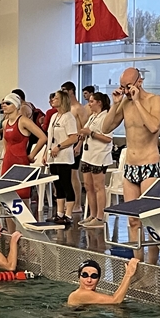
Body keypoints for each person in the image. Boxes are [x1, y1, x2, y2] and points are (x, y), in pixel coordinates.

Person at [102, 67, 160, 261]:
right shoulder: (124, 103)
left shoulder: (155, 100)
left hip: (149, 165)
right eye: (122, 87)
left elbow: (154, 126)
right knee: (133, 220)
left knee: (150, 219)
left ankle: (152, 265)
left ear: (139, 82)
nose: (126, 91)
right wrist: (115, 105)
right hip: (130, 167)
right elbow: (106, 127)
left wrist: (137, 102)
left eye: (128, 86)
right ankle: (137, 263)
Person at [0, 93, 46, 202]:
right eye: (3, 103)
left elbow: (43, 137)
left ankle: (26, 214)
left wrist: (32, 155)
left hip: (20, 160)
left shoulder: (23, 121)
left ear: (16, 105)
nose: (4, 105)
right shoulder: (5, 123)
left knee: (22, 197)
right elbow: (5, 141)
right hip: (8, 161)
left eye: (8, 103)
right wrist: (6, 154)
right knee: (7, 196)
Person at [44, 89, 79, 224]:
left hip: (64, 156)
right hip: (53, 157)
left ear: (63, 100)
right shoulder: (54, 116)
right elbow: (50, 138)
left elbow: (73, 137)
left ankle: (68, 214)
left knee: (66, 184)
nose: (53, 100)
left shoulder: (68, 117)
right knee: (57, 185)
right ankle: (59, 213)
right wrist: (46, 153)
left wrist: (59, 146)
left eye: (56, 98)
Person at [78, 91, 113, 228]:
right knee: (88, 186)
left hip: (99, 156)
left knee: (99, 187)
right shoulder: (93, 116)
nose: (89, 104)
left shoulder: (106, 117)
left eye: (92, 101)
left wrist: (91, 133)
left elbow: (108, 138)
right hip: (88, 155)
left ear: (99, 103)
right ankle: (92, 214)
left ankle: (100, 216)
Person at [61, 81, 88, 216]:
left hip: (76, 144)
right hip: (66, 145)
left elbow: (84, 129)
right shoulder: (66, 109)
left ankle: (77, 204)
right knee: (65, 175)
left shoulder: (78, 108)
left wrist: (79, 145)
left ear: (71, 91)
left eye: (64, 91)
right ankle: (68, 203)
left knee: (73, 174)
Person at [67, 258, 139, 305]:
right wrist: (128, 274)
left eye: (94, 276)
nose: (89, 280)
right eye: (85, 275)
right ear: (79, 277)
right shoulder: (81, 294)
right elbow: (116, 300)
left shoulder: (90, 294)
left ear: (98, 279)